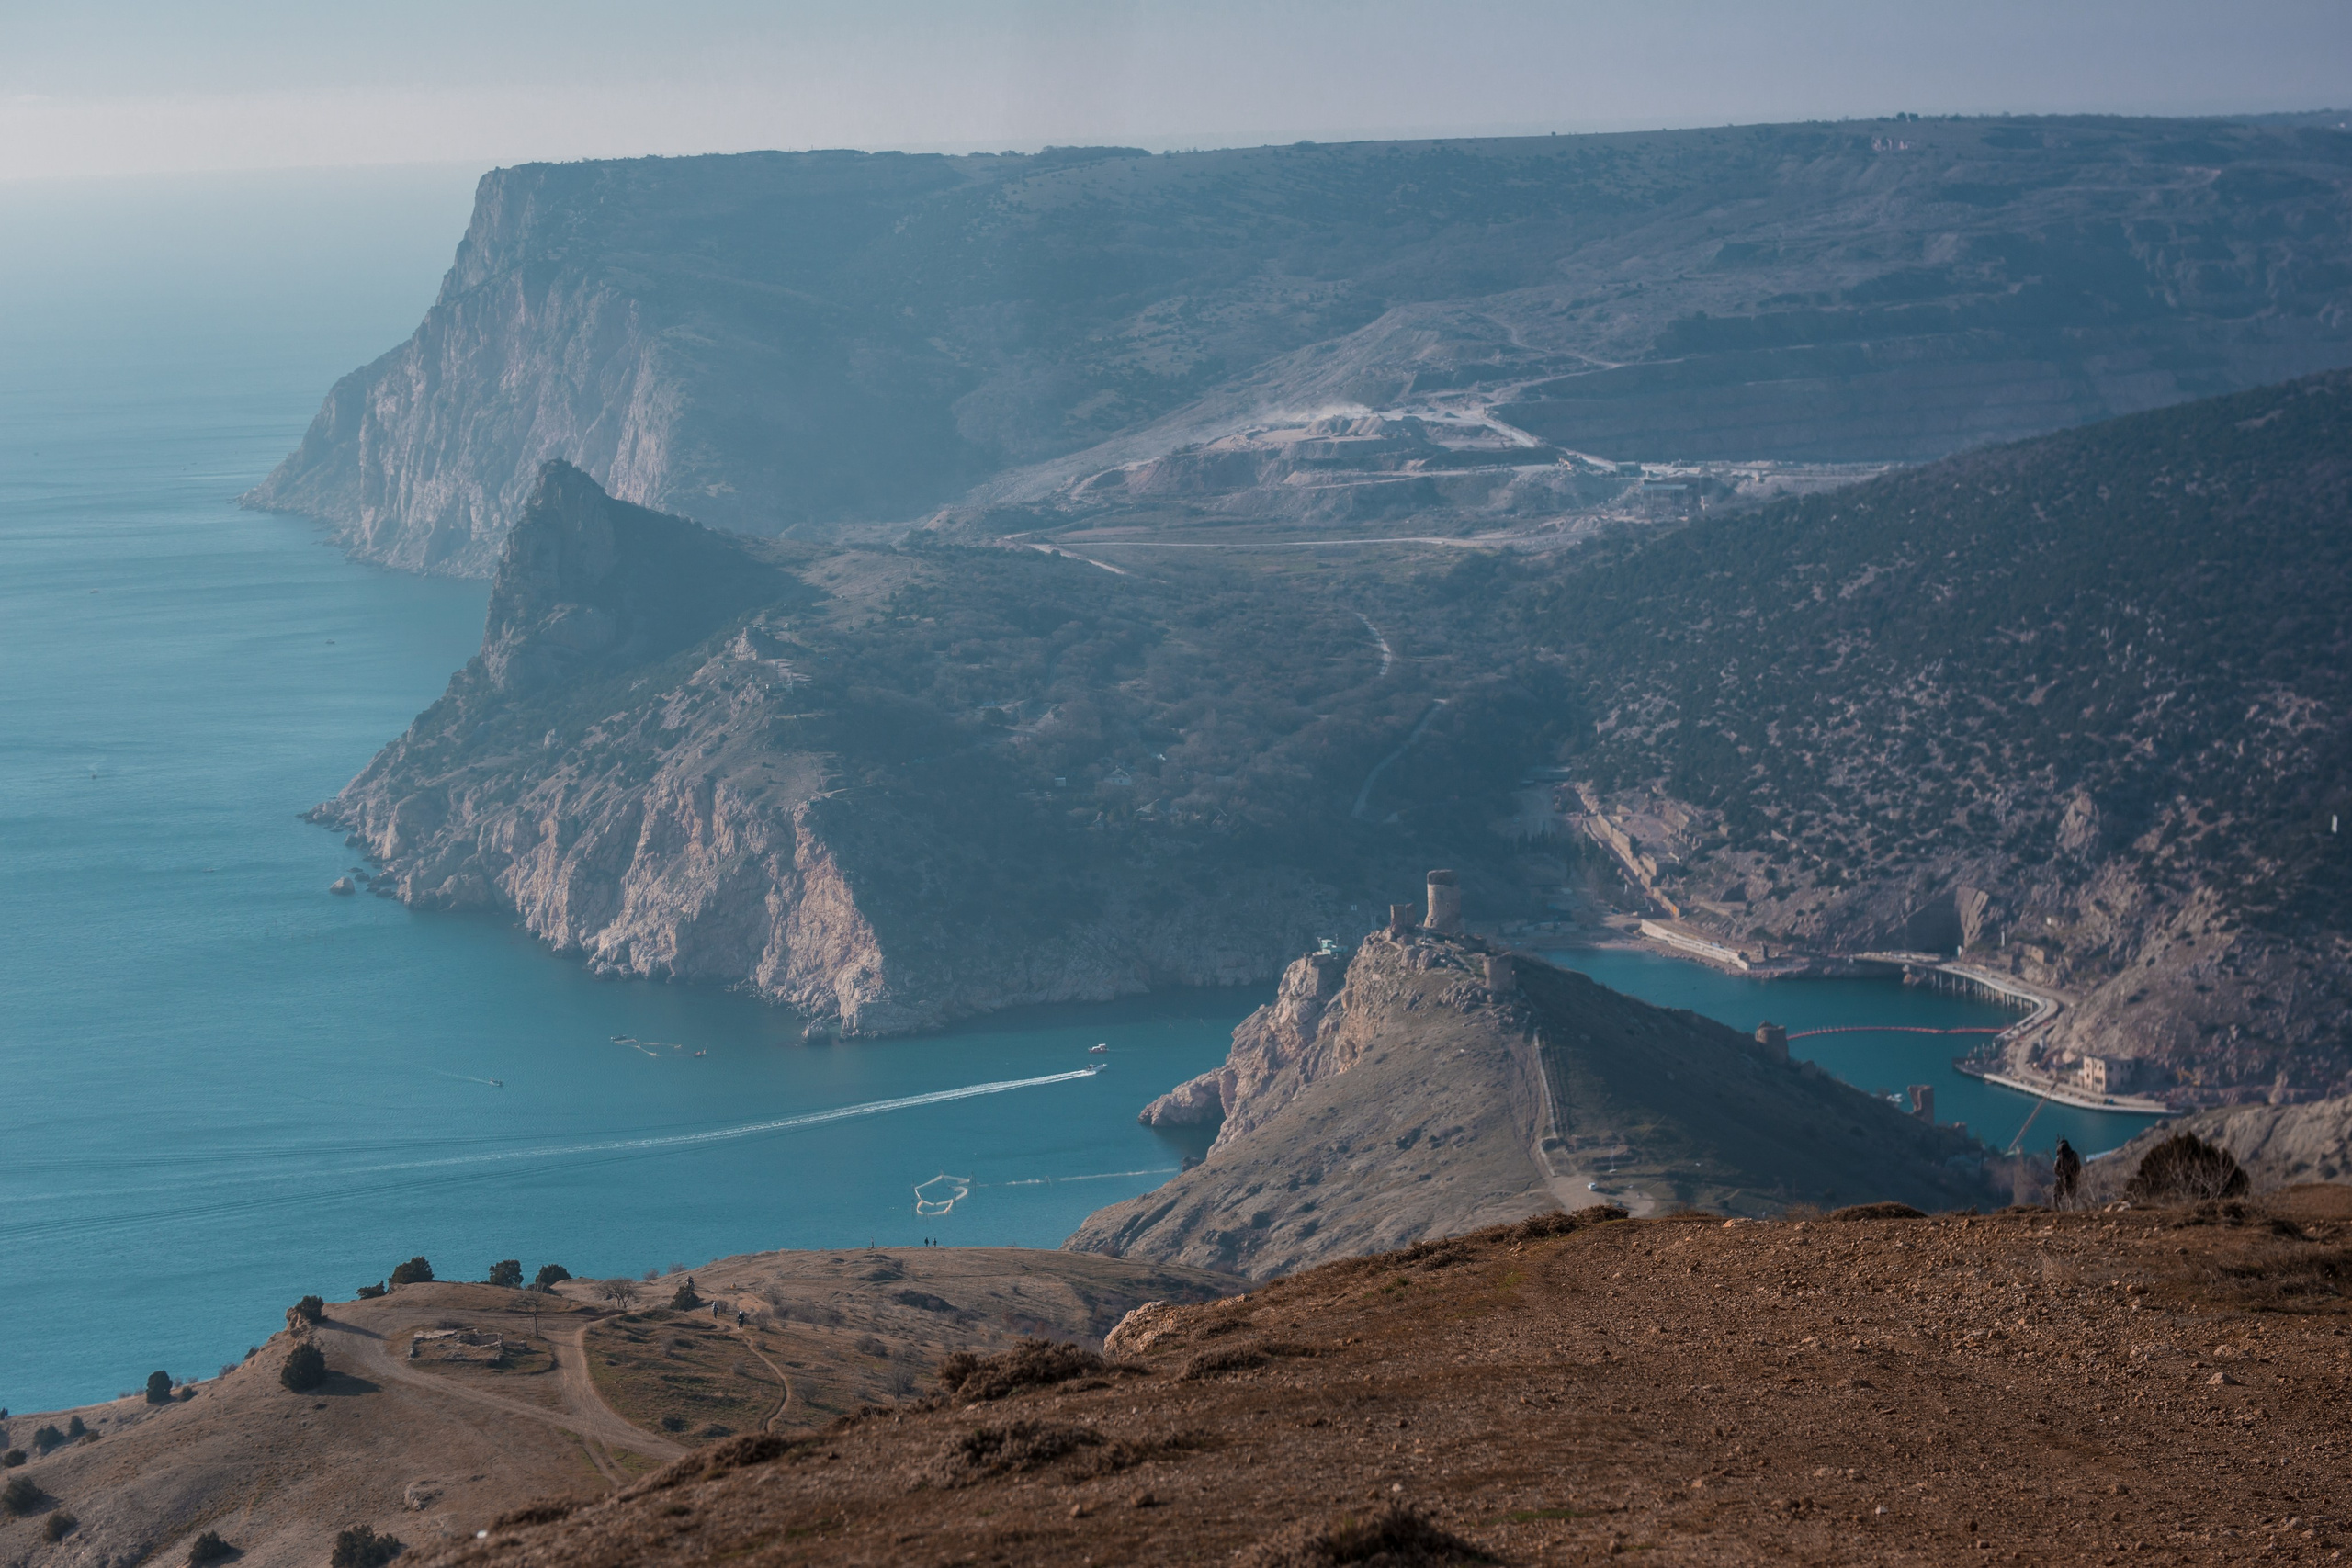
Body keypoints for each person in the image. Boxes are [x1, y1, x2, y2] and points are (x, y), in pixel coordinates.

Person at [2052, 1137, 2083, 1207]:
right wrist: (2075, 1175)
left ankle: (2057, 1210)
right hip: (2073, 1178)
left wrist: (2061, 1175)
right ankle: (2072, 1210)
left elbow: (2055, 1168)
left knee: (2056, 1195)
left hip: (2062, 1178)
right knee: (2072, 1197)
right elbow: (2078, 1166)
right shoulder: (2074, 1154)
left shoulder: (2060, 1156)